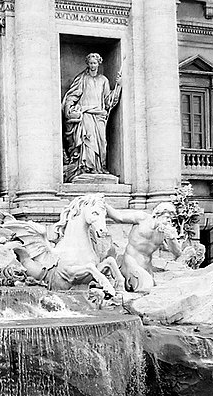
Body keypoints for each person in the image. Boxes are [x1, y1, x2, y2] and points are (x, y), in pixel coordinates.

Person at [105, 201, 195, 292]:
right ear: (157, 215)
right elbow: (119, 217)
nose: (169, 221)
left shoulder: (164, 231)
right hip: (131, 262)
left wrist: (172, 239)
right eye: (167, 217)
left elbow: (177, 253)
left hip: (147, 267)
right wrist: (104, 204)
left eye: (171, 219)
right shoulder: (142, 218)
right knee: (146, 287)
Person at [62, 53, 121, 181]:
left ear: (99, 63)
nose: (93, 65)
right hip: (86, 114)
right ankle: (87, 168)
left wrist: (119, 86)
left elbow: (108, 101)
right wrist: (69, 108)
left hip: (99, 115)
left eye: (95, 63)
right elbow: (72, 95)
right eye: (90, 63)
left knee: (102, 143)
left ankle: (99, 167)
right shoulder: (82, 78)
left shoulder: (103, 80)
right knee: (88, 142)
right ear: (87, 64)